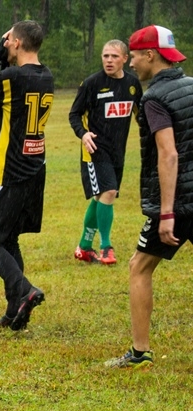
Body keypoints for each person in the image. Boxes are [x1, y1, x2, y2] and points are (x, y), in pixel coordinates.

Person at [105, 26, 192, 369]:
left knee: (139, 267)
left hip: (177, 200)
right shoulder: (189, 86)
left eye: (136, 56)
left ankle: (139, 353)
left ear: (151, 55)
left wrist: (166, 212)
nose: (133, 63)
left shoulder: (154, 98)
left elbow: (168, 155)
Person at [0, 21, 55, 331]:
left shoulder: (14, 77)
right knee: (10, 239)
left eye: (8, 42)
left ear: (15, 42)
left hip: (8, 172)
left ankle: (24, 290)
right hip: (35, 169)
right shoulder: (47, 76)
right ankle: (15, 309)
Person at [68, 40, 143, 265]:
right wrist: (83, 134)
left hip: (117, 152)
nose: (108, 60)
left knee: (102, 197)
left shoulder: (132, 85)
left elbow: (142, 116)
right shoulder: (92, 83)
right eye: (105, 56)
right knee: (109, 191)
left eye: (113, 56)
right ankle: (106, 247)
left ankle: (83, 247)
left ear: (125, 59)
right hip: (94, 150)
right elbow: (74, 114)